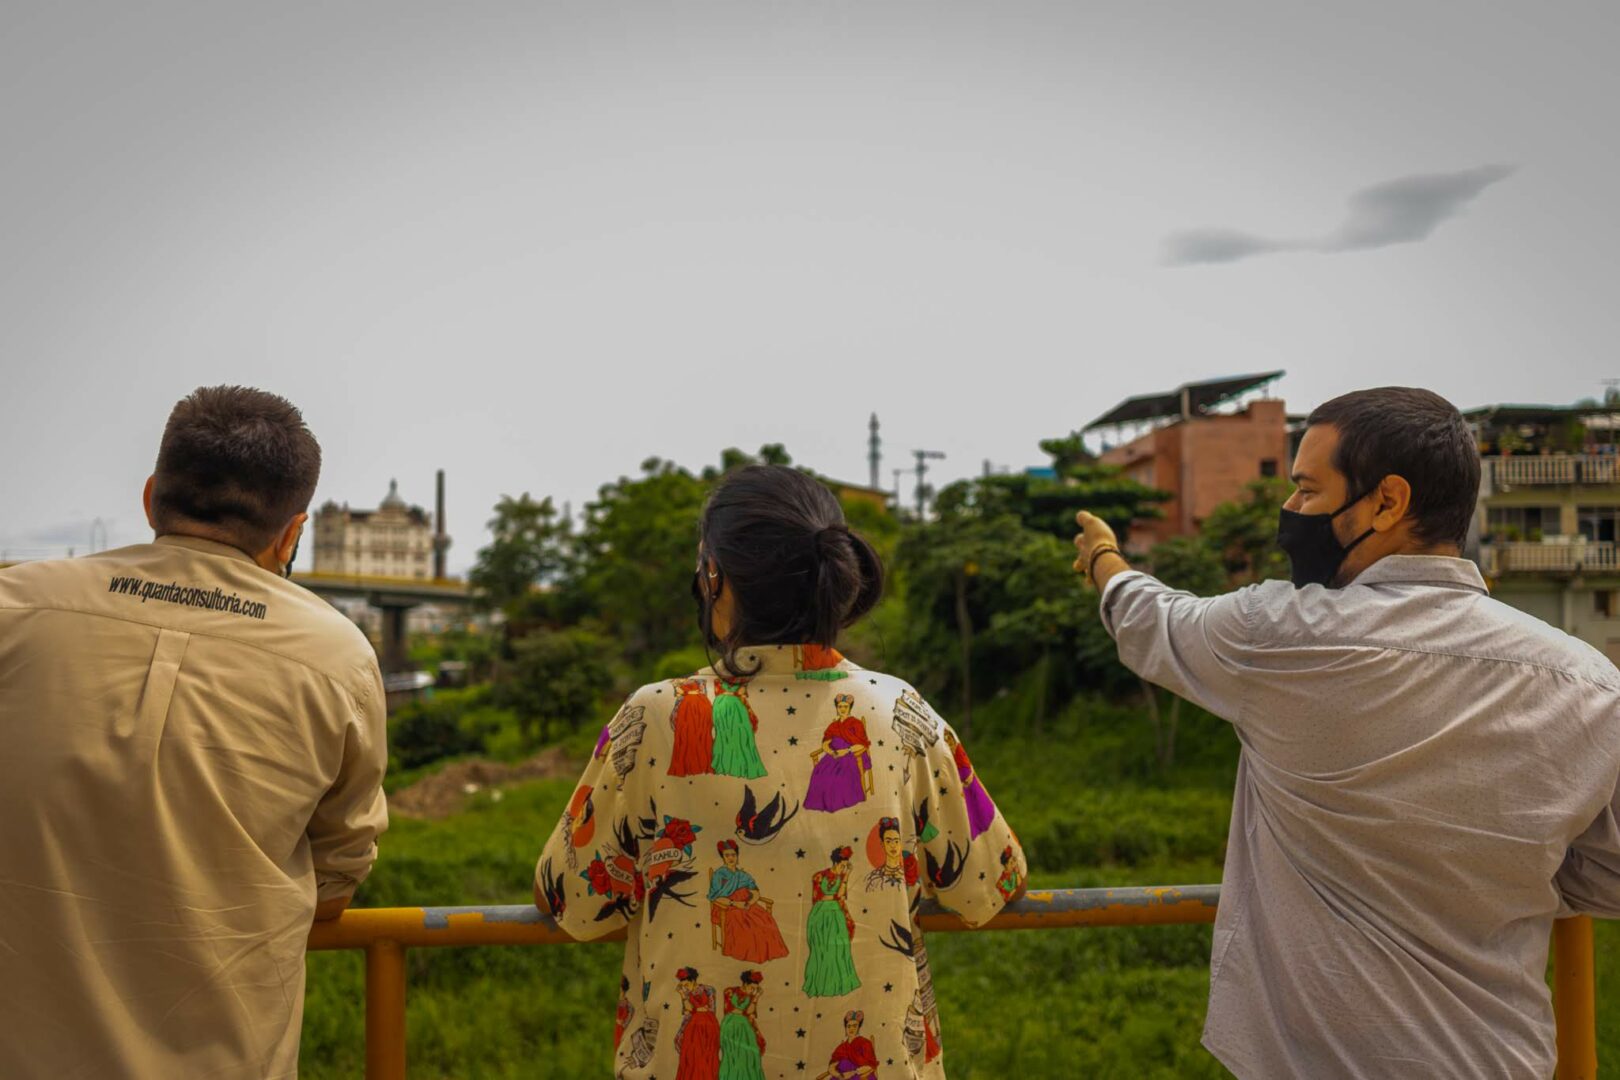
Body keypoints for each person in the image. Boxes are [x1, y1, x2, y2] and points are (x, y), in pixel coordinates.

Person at [1072, 386, 1620, 1079]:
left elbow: (1150, 619)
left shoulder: (1280, 637)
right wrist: (1502, 859)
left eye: (1306, 490)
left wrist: (1104, 560)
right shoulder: (1587, 684)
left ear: (1387, 502)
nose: (1289, 512)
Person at [536, 464, 1024, 1078]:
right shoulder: (900, 711)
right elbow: (994, 881)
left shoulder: (656, 715)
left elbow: (567, 897)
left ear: (716, 577)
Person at [0, 386, 388, 1079]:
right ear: (291, 532)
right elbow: (338, 875)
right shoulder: (337, 658)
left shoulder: (17, 605)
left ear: (152, 497)